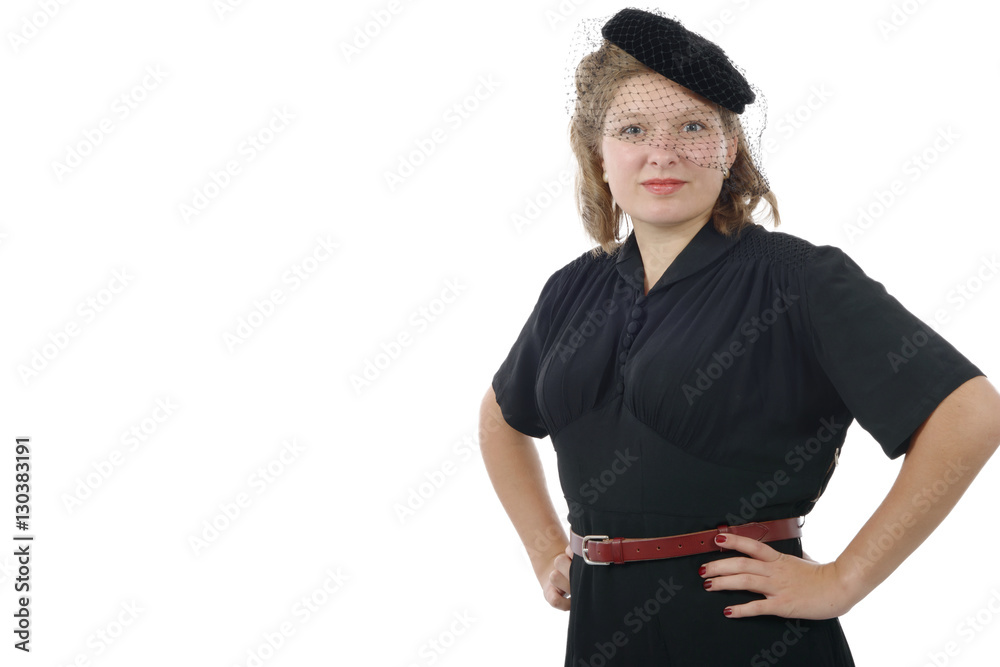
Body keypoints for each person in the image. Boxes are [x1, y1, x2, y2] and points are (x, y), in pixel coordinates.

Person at [479, 7, 1000, 666]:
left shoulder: (798, 278)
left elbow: (971, 411)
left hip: (750, 632)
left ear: (729, 148)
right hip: (600, 632)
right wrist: (545, 548)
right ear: (598, 154)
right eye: (633, 129)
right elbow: (501, 418)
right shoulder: (571, 289)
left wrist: (842, 580)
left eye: (692, 127)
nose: (663, 152)